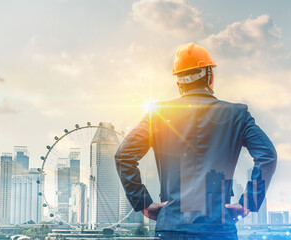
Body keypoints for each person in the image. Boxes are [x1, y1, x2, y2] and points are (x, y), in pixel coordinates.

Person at [115, 42, 277, 240]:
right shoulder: (237, 114)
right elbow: (267, 154)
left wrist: (142, 202)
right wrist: (248, 202)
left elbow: (124, 154)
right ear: (210, 75)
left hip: (172, 227)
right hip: (219, 227)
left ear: (179, 83)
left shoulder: (157, 115)